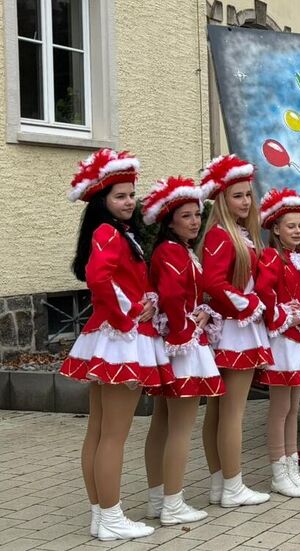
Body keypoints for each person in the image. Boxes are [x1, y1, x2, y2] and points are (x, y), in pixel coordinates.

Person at [59, 149, 167, 541]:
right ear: (102, 201)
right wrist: (125, 317)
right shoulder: (108, 233)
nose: (129, 201)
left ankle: (100, 515)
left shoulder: (120, 233)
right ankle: (111, 515)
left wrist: (146, 299)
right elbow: (98, 278)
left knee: (100, 431)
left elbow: (122, 280)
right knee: (113, 435)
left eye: (131, 194)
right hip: (119, 339)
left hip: (109, 337)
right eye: (120, 195)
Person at [142, 176, 223, 527]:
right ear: (169, 220)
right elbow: (173, 298)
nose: (195, 221)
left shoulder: (175, 251)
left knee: (163, 423)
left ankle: (157, 499)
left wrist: (201, 311)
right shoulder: (172, 252)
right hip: (182, 347)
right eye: (187, 216)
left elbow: (179, 297)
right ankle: (173, 504)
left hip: (174, 342)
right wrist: (186, 330)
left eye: (196, 215)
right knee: (180, 427)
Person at [198, 154, 272, 508]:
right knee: (232, 413)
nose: (245, 201)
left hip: (234, 327)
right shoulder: (220, 234)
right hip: (233, 330)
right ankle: (232, 485)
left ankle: (220, 484)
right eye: (237, 195)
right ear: (222, 199)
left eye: (248, 195)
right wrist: (247, 304)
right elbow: (212, 282)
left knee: (220, 412)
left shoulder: (238, 232)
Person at [256, 188, 300, 497]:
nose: (298, 231)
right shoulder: (271, 256)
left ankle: (293, 467)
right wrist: (284, 314)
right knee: (280, 407)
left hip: (299, 336)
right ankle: (278, 471)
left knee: (294, 408)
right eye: (290, 226)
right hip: (283, 338)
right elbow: (264, 291)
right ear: (275, 228)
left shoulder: (299, 259)